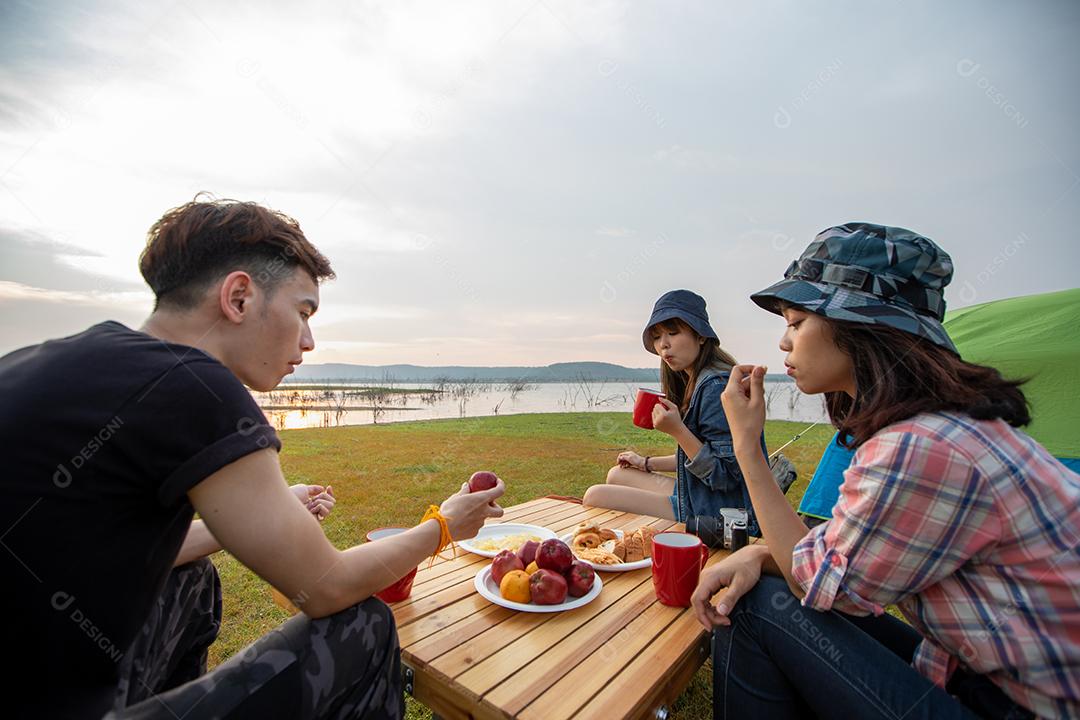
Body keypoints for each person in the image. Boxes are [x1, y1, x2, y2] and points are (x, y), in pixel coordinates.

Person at [0, 195, 505, 720]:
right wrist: (443, 526)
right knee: (366, 627)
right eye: (304, 312)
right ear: (239, 297)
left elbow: (109, 544)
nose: (308, 341)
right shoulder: (194, 384)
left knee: (192, 578)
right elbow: (325, 586)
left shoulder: (68, 359)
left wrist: (259, 513)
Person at [690, 223, 1080, 719]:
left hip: (1021, 707)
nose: (783, 342)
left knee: (762, 608)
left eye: (796, 321)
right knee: (769, 591)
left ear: (859, 328)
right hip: (976, 676)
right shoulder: (939, 427)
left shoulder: (921, 446)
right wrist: (763, 553)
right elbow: (845, 548)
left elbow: (816, 582)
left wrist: (747, 445)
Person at [583, 289, 767, 534]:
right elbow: (698, 455)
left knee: (595, 496)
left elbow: (725, 477)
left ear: (700, 336)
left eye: (673, 332)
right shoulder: (699, 380)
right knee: (617, 474)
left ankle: (650, 542)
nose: (663, 345)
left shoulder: (716, 387)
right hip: (698, 494)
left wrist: (678, 430)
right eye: (657, 337)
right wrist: (645, 462)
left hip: (724, 515)